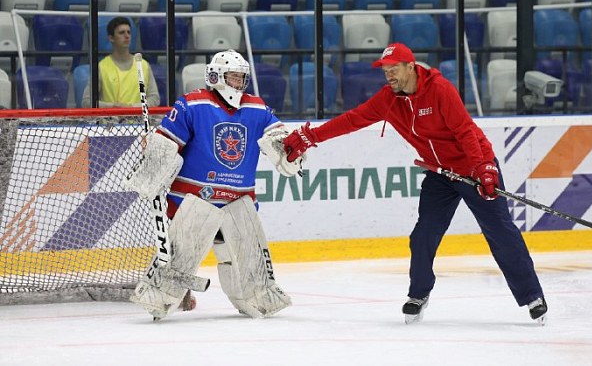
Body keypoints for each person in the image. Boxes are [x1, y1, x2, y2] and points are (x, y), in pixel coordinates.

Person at [283, 43, 547, 324]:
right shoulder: (389, 99)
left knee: (500, 232)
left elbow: (465, 131)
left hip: (473, 166)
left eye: (394, 69)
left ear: (411, 67)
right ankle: (418, 294)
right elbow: (353, 120)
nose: (389, 75)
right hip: (440, 173)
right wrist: (310, 137)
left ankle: (532, 296)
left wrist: (483, 168)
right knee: (423, 235)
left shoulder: (440, 90)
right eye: (385, 70)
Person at [124, 49, 304, 320]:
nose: (239, 83)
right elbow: (167, 141)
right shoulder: (191, 104)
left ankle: (256, 299)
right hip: (195, 199)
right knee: (180, 256)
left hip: (239, 199)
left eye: (242, 78)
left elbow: (278, 136)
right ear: (215, 76)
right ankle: (158, 298)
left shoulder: (257, 108)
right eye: (233, 77)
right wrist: (155, 163)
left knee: (247, 258)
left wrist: (290, 148)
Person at [81, 16, 160, 108]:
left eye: (129, 32)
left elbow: (155, 99)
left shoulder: (143, 65)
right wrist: (112, 107)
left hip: (138, 121)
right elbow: (86, 102)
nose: (126, 36)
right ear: (111, 38)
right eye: (121, 33)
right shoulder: (101, 67)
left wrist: (132, 108)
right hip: (110, 121)